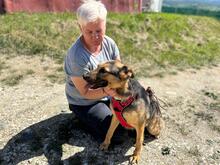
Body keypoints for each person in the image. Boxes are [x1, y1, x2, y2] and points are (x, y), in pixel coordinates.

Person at [64, 0, 126, 143]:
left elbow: (119, 70)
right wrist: (106, 92)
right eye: (89, 32)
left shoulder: (109, 43)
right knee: (116, 134)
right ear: (80, 27)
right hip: (85, 102)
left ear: (105, 25)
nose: (95, 36)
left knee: (132, 118)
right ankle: (82, 119)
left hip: (108, 95)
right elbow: (85, 92)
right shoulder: (76, 56)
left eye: (99, 30)